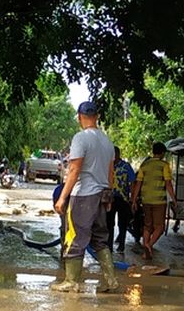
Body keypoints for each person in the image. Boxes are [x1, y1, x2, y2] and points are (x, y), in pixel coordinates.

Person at [52, 100, 119, 293]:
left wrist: (63, 197)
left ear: (80, 117)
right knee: (100, 239)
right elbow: (110, 173)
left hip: (83, 195)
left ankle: (72, 281)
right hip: (102, 194)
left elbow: (74, 170)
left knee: (74, 236)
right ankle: (110, 280)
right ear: (96, 117)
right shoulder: (107, 142)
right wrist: (109, 196)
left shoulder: (81, 139)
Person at [132, 142, 175, 260]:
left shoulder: (144, 165)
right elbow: (168, 184)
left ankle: (146, 252)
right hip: (159, 201)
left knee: (147, 226)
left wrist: (134, 200)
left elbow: (138, 184)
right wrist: (174, 199)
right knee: (160, 227)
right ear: (162, 153)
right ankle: (148, 245)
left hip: (146, 200)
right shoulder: (164, 165)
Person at [108, 146, 136, 253]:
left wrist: (132, 198)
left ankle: (121, 245)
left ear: (118, 154)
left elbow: (133, 181)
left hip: (123, 198)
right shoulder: (108, 166)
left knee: (122, 223)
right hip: (110, 198)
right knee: (109, 223)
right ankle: (109, 245)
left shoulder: (126, 166)